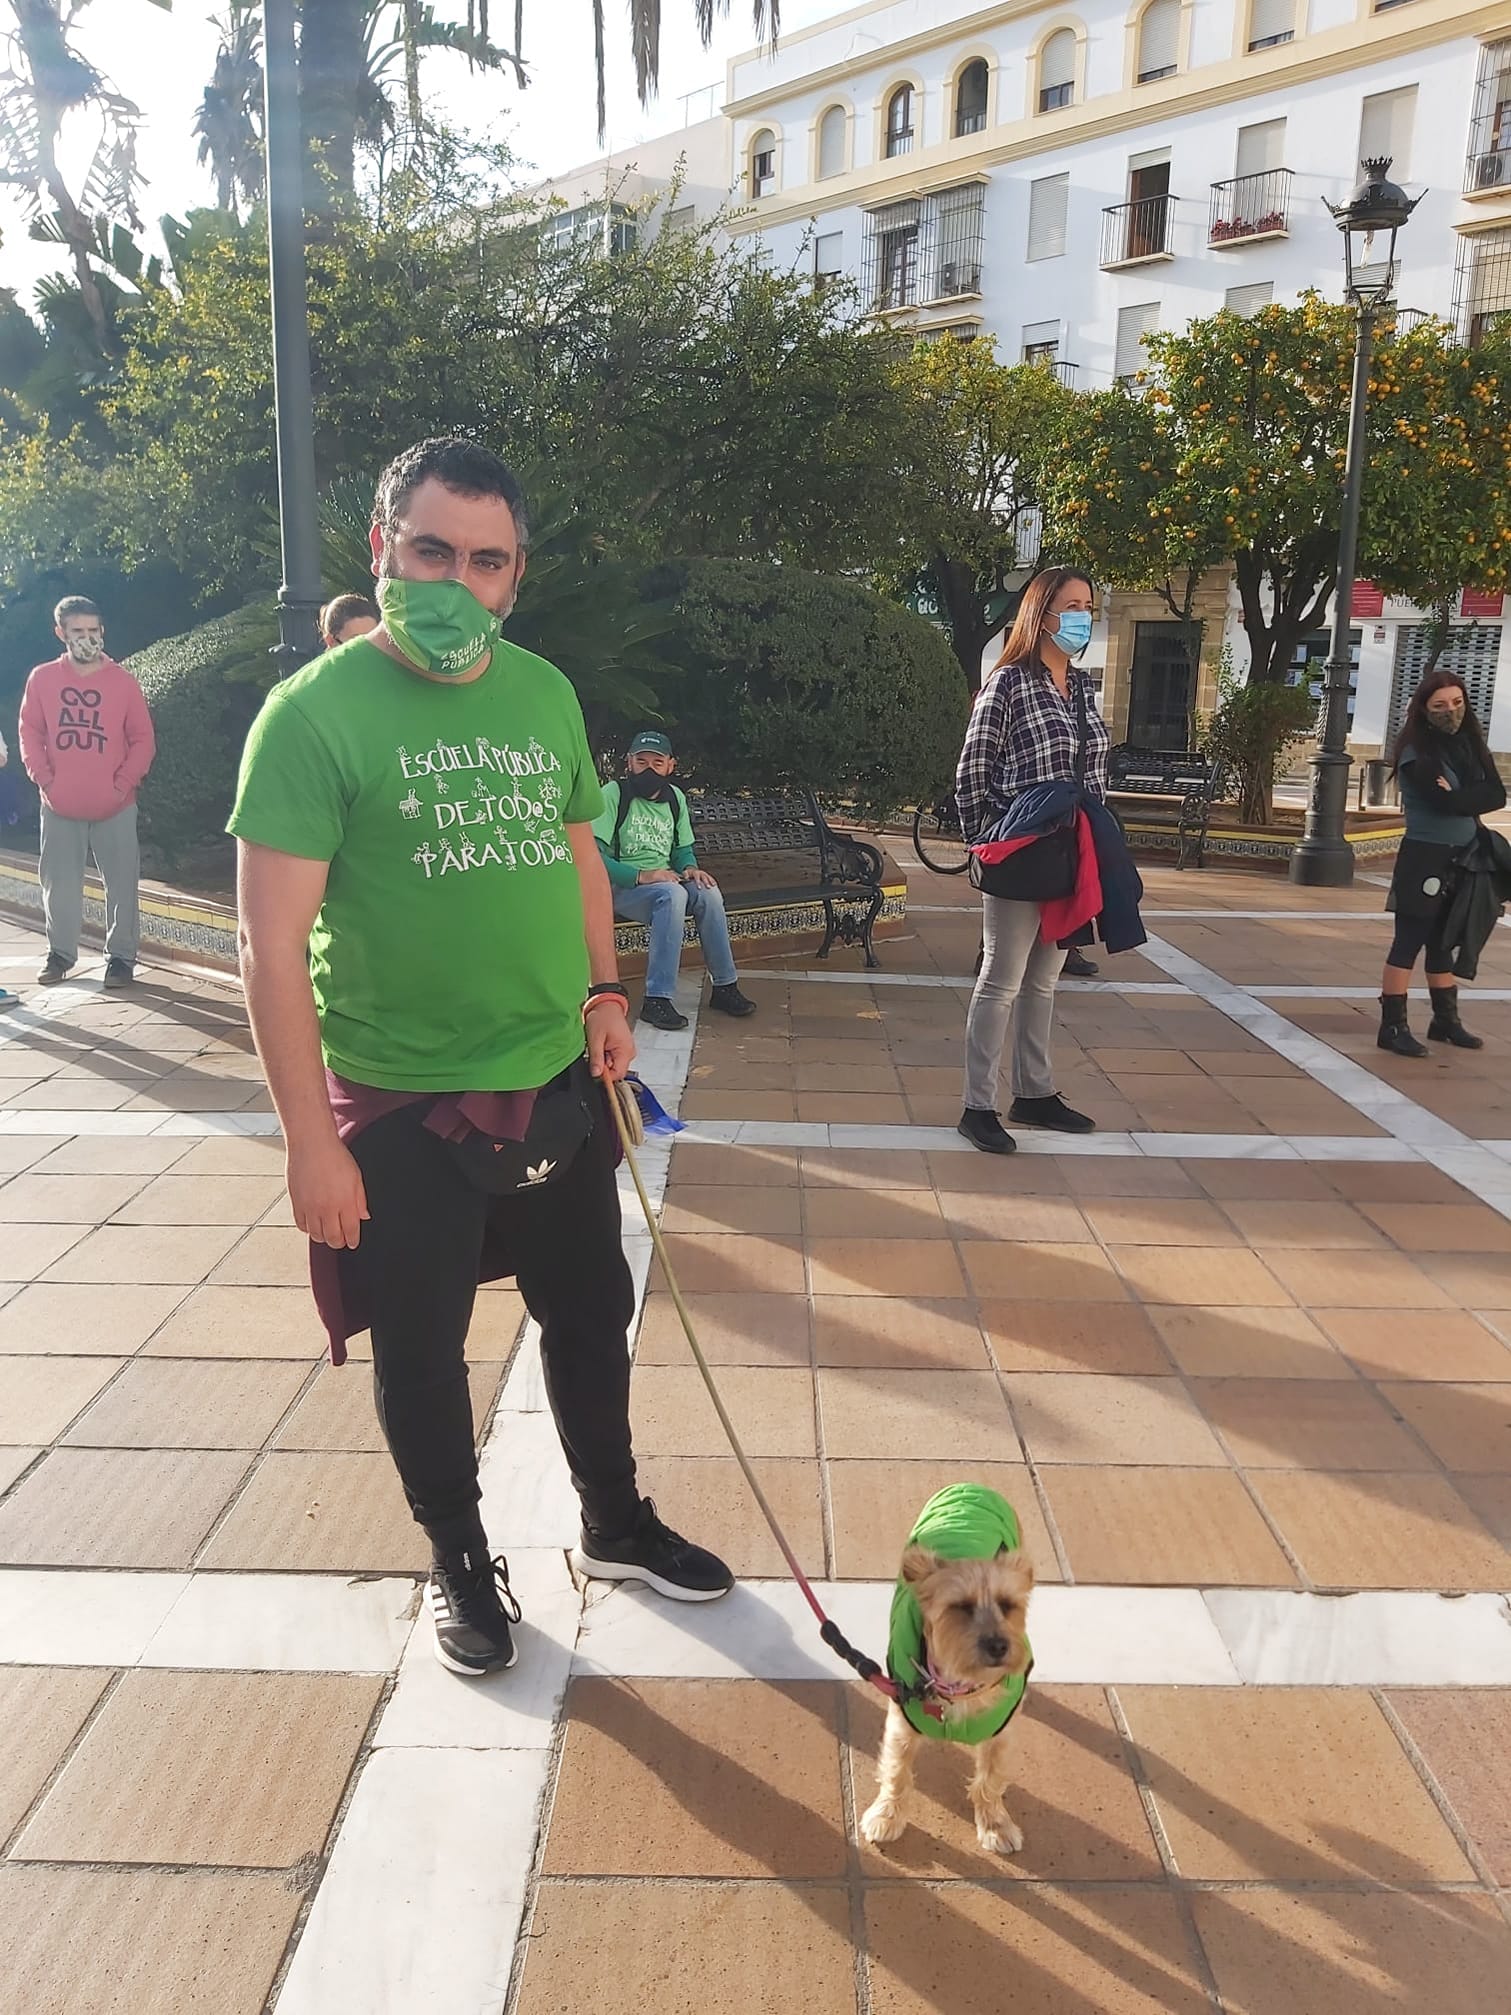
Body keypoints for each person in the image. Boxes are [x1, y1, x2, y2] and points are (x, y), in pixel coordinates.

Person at [228, 438, 732, 1681]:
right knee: (419, 1341)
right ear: (382, 548)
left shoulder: (543, 693)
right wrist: (308, 1141)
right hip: (399, 1100)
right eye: (431, 550)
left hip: (553, 1075)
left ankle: (611, 1520)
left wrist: (608, 988)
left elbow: (573, 854)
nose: (458, 579)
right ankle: (459, 1556)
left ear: (516, 575)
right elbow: (268, 947)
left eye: (486, 560)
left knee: (590, 1306)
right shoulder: (310, 717)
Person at [955, 566, 1131, 1154]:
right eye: (1071, 605)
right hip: (1021, 849)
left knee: (1045, 980)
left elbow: (1095, 769)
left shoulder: (1082, 687)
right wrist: (986, 841)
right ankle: (977, 1105)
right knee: (1000, 979)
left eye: (1088, 604)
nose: (1082, 615)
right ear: (1041, 614)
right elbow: (972, 768)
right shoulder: (1007, 683)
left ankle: (1035, 1092)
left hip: (1070, 849)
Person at [18, 595, 156, 990]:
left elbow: (142, 738)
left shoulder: (123, 681)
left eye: (93, 631)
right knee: (58, 883)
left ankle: (121, 959)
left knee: (122, 884)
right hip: (59, 804)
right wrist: (44, 779)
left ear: (103, 631)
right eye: (77, 631)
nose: (87, 638)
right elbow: (30, 732)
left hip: (115, 805)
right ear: (60, 633)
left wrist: (122, 783)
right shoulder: (42, 679)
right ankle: (60, 954)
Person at [1378, 669, 1506, 1057]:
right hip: (1425, 858)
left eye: (1457, 703)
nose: (1450, 712)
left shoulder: (1470, 746)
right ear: (1423, 709)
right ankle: (1392, 1026)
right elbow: (1444, 803)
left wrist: (1464, 794)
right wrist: (1471, 795)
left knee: (1443, 940)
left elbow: (1497, 795)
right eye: (1440, 706)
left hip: (1464, 858)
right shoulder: (1416, 753)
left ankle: (1445, 1021)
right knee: (1409, 941)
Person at [594, 730, 756, 1032]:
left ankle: (725, 987)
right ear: (629, 763)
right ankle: (657, 999)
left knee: (708, 892)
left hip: (665, 882)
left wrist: (691, 867)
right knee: (673, 895)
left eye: (658, 762)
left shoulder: (675, 799)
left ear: (671, 765)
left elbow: (682, 850)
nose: (649, 769)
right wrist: (641, 875)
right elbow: (594, 858)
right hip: (621, 886)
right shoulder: (613, 794)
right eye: (641, 761)